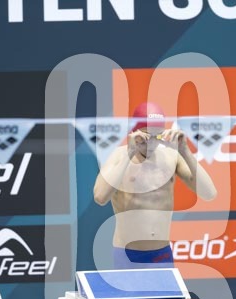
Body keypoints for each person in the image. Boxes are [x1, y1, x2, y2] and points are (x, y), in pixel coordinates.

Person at [93, 102, 217, 269]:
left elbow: (209, 193)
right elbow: (100, 197)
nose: (151, 143)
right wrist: (129, 154)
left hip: (161, 254)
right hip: (127, 254)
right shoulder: (118, 156)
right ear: (134, 132)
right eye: (146, 137)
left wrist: (185, 151)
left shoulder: (171, 156)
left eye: (157, 136)